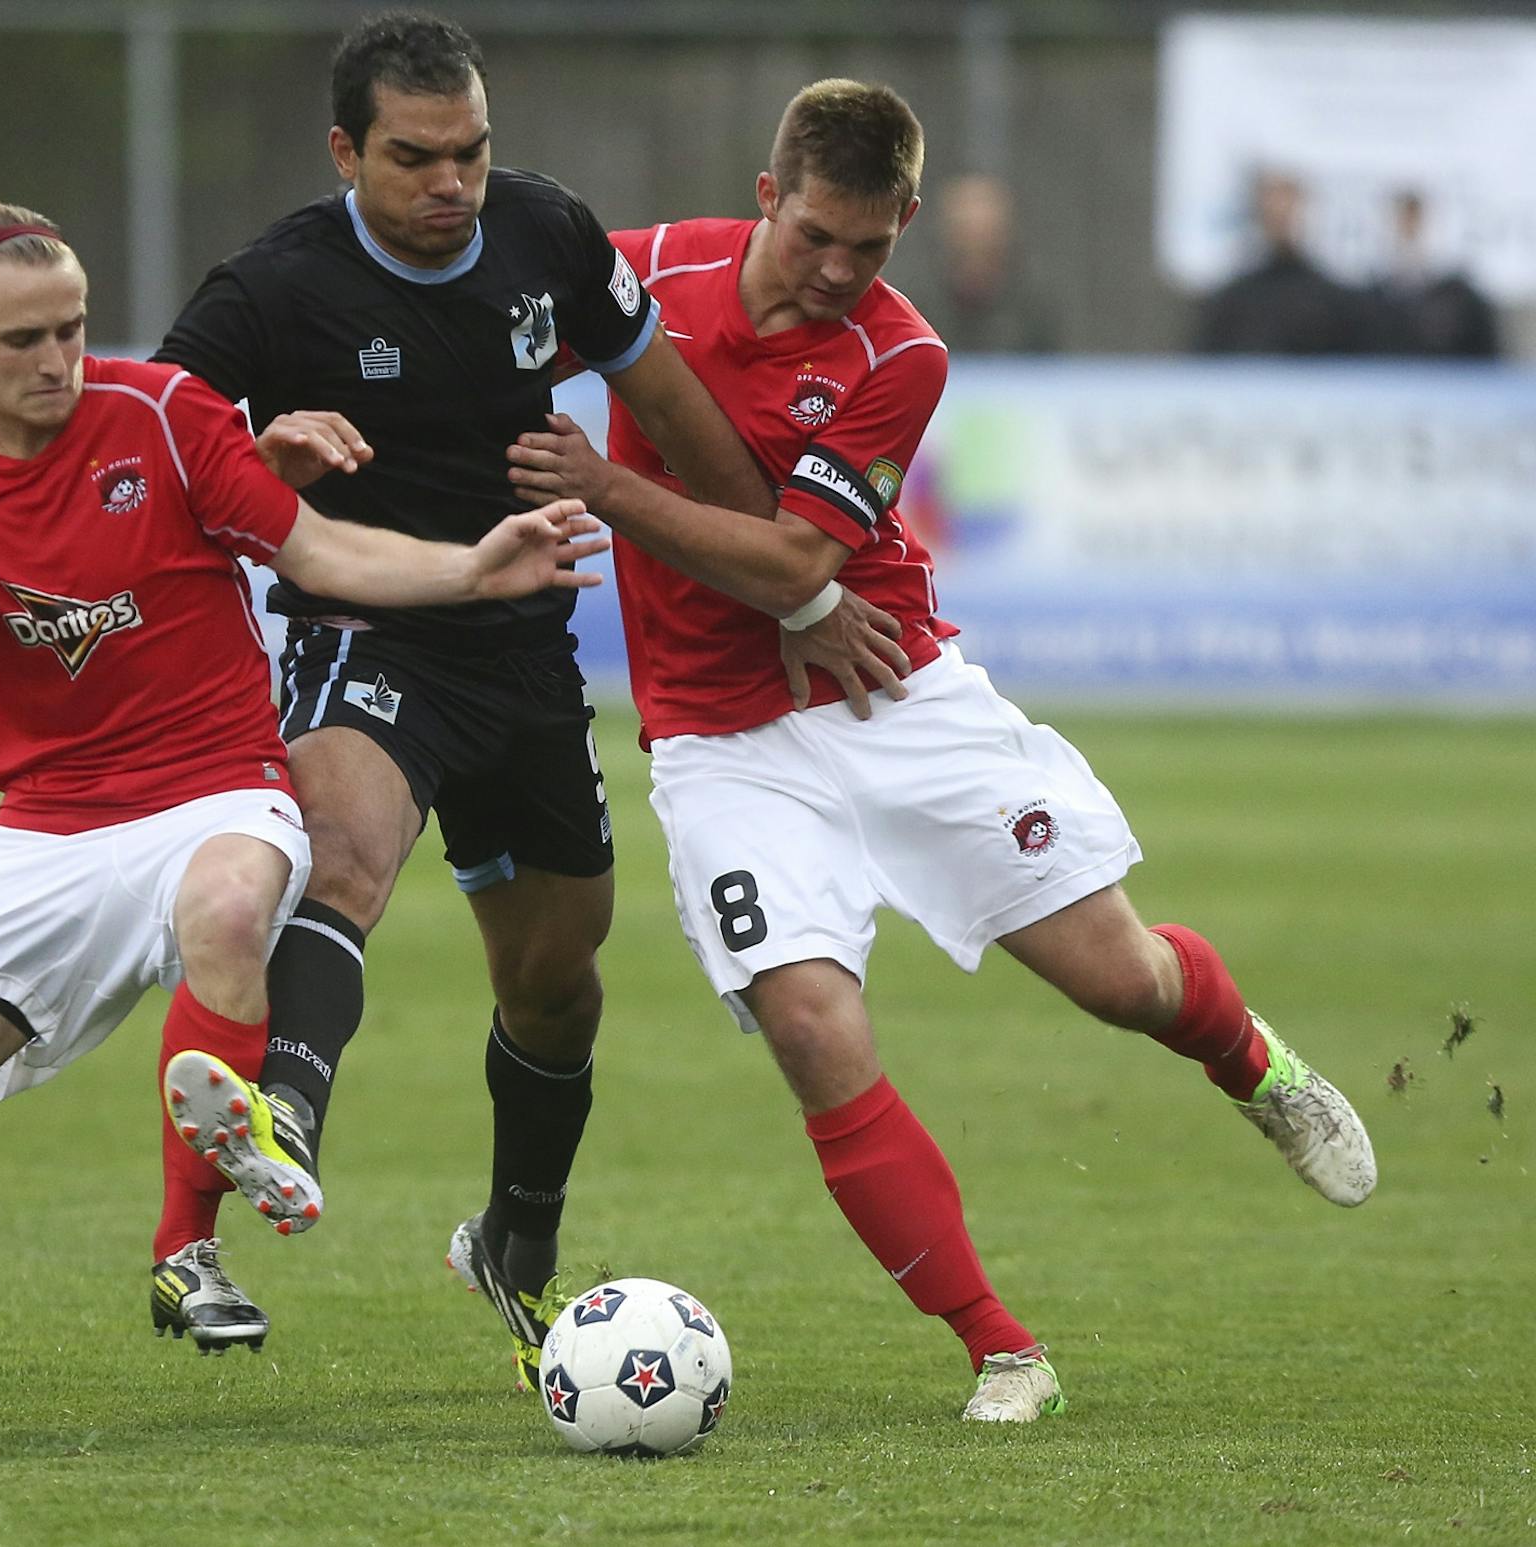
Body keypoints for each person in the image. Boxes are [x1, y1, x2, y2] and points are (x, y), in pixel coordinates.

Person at [506, 79, 1377, 1424]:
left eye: (873, 245)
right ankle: (1001, 1344)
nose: (842, 271)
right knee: (808, 1017)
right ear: (768, 197)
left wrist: (609, 486)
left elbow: (799, 562)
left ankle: (1252, 1060)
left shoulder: (898, 353)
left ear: (909, 219)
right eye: (816, 239)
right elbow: (483, 341)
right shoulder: (642, 276)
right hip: (722, 738)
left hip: (890, 693)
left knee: (1123, 978)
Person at [0, 200, 607, 1426]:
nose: (59, 358)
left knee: (232, 902)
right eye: (23, 341)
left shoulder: (166, 416)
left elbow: (321, 552)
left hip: (217, 783)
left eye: (71, 327)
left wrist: (471, 566)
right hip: (43, 831)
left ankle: (187, 1253)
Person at [152, 11, 801, 1393]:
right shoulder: (271, 289)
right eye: (415, 158)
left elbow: (675, 409)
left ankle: (517, 1236)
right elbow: (155, 453)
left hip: (526, 653)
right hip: (366, 623)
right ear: (345, 152)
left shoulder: (551, 235)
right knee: (345, 854)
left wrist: (784, 572)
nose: (452, 183)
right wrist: (258, 449)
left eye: (472, 152)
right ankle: (286, 1111)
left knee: (559, 979)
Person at [1194, 171, 1369, 356]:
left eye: (1287, 203)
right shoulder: (1233, 302)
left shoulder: (1336, 304)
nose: (1279, 214)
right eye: (1271, 206)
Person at [918, 173, 1059, 353]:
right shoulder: (918, 309)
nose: (976, 242)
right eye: (964, 232)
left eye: (987, 236)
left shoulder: (1034, 312)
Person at [1371, 189, 1499, 359]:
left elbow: (1489, 362)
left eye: (1415, 222)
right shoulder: (1369, 301)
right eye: (1401, 223)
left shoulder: (1461, 300)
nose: (1408, 232)